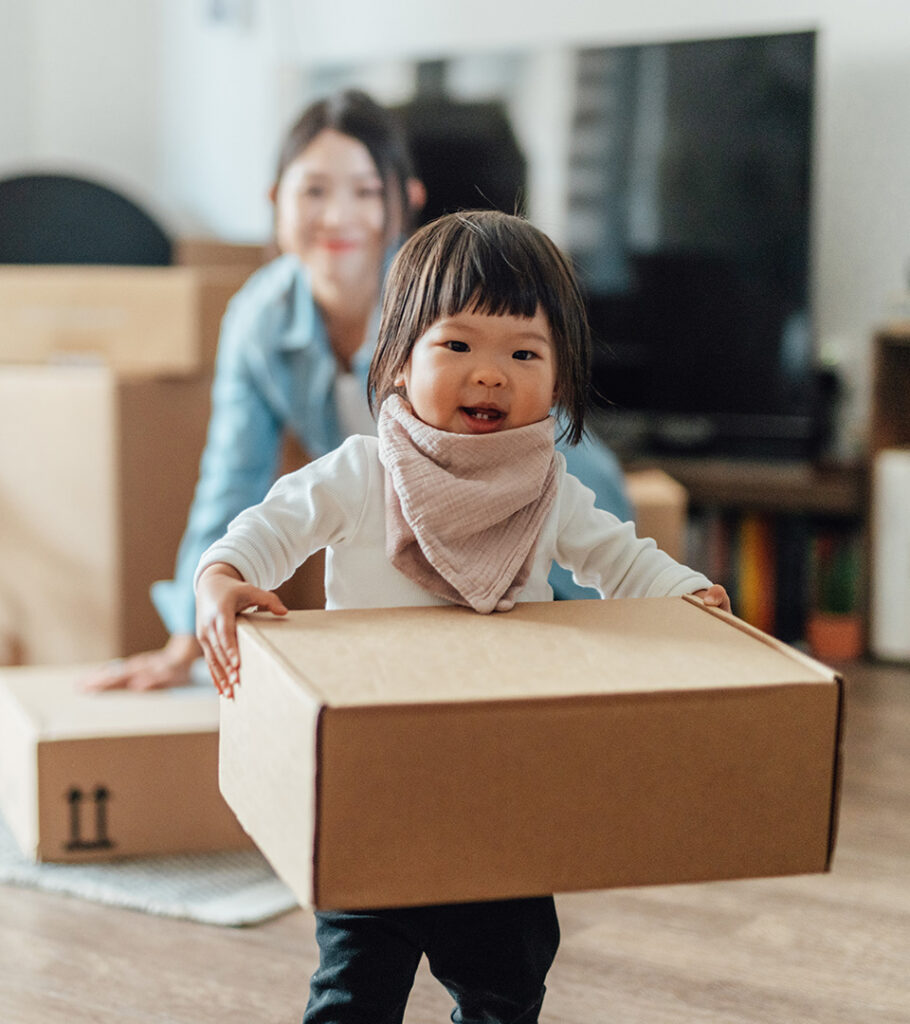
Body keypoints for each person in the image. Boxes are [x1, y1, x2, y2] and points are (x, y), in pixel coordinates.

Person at [194, 210, 730, 1024]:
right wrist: (224, 576)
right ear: (399, 360)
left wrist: (689, 596)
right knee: (352, 992)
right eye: (458, 345)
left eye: (523, 353)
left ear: (559, 379)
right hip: (374, 789)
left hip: (502, 792)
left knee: (505, 988)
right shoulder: (362, 473)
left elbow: (623, 562)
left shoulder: (550, 491)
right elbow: (268, 528)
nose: (490, 374)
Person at [83, 89, 631, 694]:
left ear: (406, 201)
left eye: (366, 192)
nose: (339, 216)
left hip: (520, 494)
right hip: (394, 519)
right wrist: (188, 636)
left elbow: (541, 458)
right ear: (276, 201)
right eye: (314, 190)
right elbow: (231, 480)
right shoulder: (258, 318)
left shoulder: (442, 301)